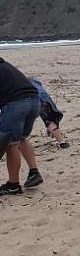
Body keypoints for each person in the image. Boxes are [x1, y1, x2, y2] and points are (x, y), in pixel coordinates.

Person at [0, 58, 43, 195]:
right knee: (22, 138)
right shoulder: (6, 66)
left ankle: (13, 185)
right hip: (35, 101)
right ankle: (34, 172)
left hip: (16, 104)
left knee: (11, 143)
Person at [29, 79, 70, 149]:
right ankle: (62, 142)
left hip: (31, 100)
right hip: (45, 99)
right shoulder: (36, 84)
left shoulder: (21, 84)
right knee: (50, 120)